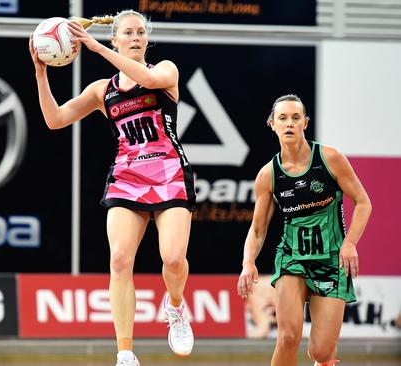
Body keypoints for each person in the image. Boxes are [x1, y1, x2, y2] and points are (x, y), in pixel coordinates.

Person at [30, 10, 196, 366]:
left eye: (141, 33)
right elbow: (55, 120)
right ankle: (125, 352)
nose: (136, 38)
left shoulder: (165, 70)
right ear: (115, 38)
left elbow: (148, 80)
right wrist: (41, 72)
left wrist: (95, 48)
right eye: (128, 33)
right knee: (120, 260)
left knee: (173, 259)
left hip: (169, 174)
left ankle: (177, 306)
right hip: (127, 178)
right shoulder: (101, 91)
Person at [237, 94, 372, 366]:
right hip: (292, 260)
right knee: (287, 338)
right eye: (282, 118)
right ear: (272, 124)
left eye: (295, 118)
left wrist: (350, 243)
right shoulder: (268, 175)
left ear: (305, 123)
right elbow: (258, 229)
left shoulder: (330, 158)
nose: (289, 124)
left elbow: (363, 202)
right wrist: (248, 262)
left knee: (321, 353)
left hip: (331, 261)